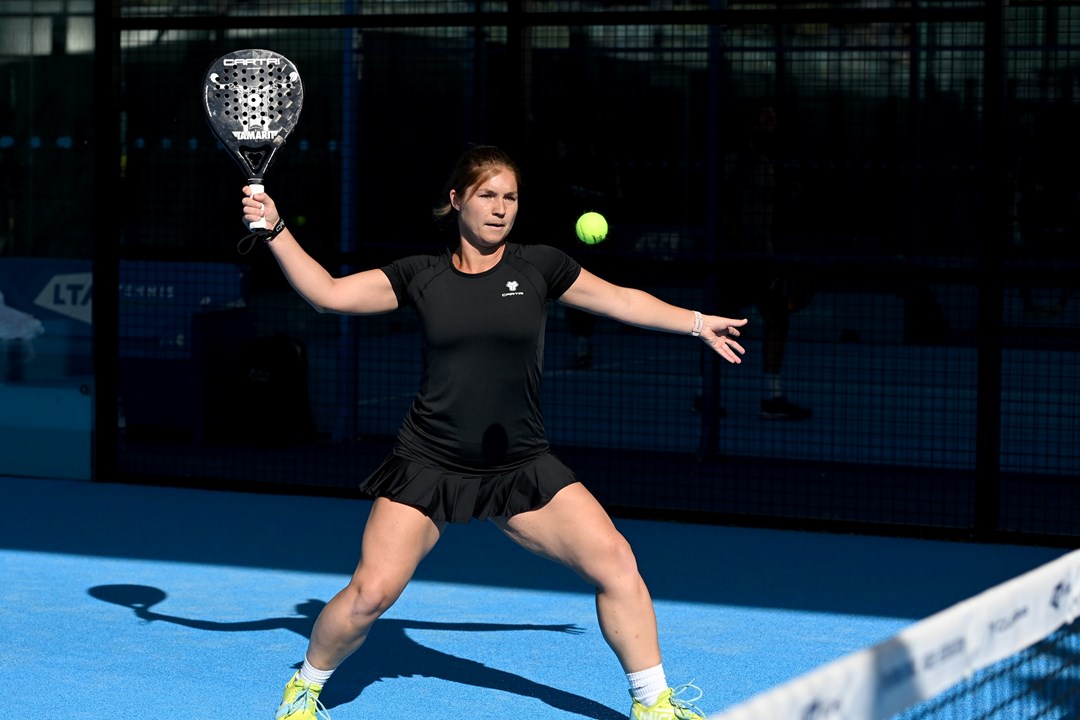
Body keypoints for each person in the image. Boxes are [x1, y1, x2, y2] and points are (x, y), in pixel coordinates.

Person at [240, 145, 748, 720]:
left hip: (520, 464)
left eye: (510, 197)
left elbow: (620, 301)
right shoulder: (421, 276)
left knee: (617, 564)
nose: (501, 208)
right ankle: (305, 687)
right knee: (371, 595)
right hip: (428, 462)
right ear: (456, 201)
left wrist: (699, 323)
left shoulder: (541, 266)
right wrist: (275, 228)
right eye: (487, 195)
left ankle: (654, 703)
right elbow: (328, 295)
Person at [718, 104, 812, 420]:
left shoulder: (769, 162)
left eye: (775, 117)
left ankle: (771, 397)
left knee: (776, 320)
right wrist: (740, 246)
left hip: (764, 257)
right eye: (766, 117)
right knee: (723, 325)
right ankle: (708, 396)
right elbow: (725, 206)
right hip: (741, 258)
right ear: (752, 124)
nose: (773, 123)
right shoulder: (739, 161)